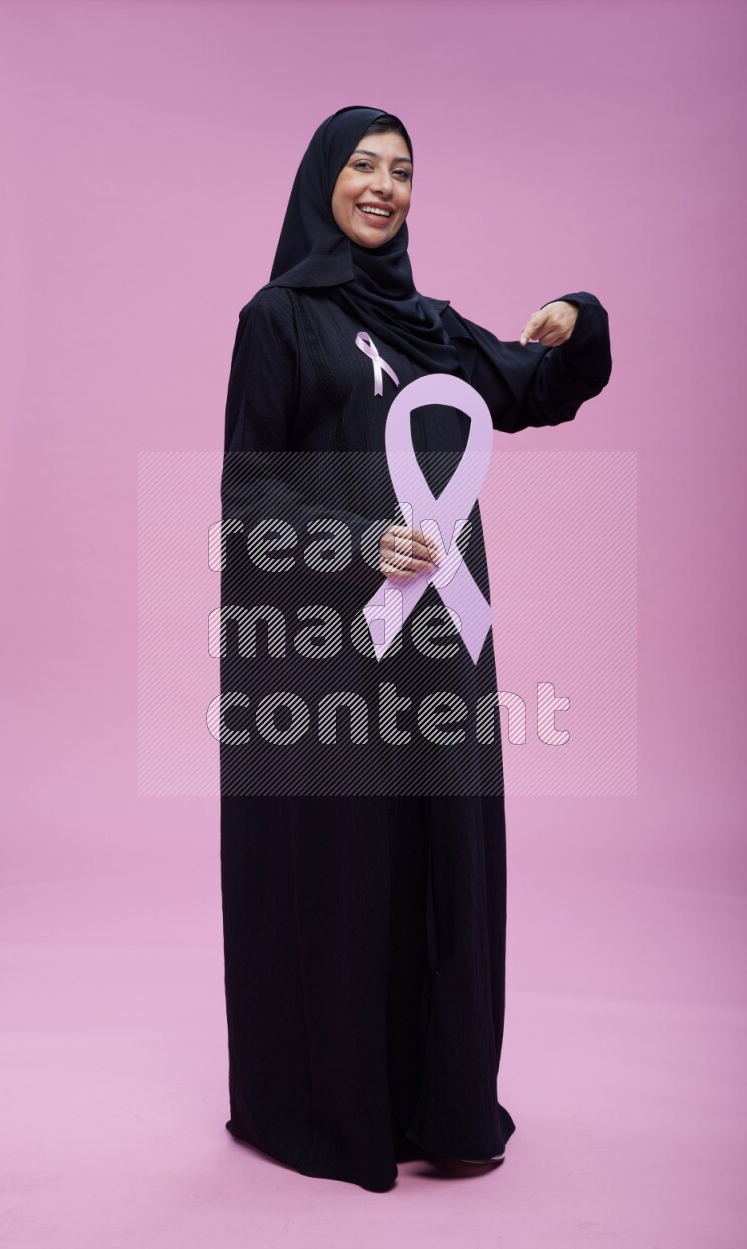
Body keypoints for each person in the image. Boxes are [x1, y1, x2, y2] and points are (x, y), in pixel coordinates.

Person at [219, 105, 612, 1193]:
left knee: (439, 863)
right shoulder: (279, 320)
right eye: (363, 166)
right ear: (321, 180)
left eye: (401, 170)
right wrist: (355, 540)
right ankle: (332, 1101)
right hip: (329, 652)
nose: (384, 186)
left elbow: (532, 390)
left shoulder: (433, 327)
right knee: (347, 876)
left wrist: (576, 318)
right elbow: (244, 499)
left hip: (438, 645)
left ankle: (433, 1095)